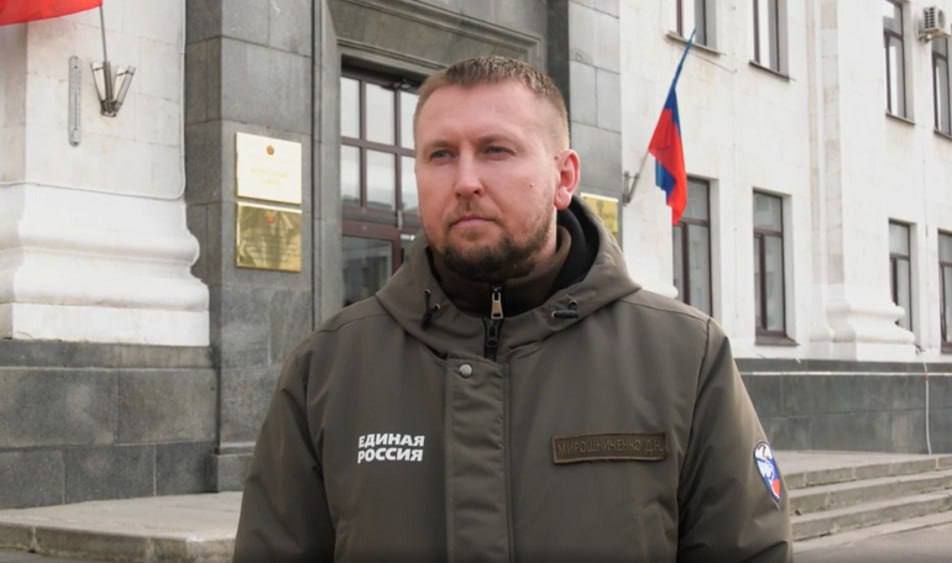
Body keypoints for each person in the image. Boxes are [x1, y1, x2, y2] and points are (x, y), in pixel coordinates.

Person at [234, 56, 792, 562]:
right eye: (441, 155)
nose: (465, 181)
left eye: (495, 150)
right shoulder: (329, 367)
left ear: (564, 177)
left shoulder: (684, 357)